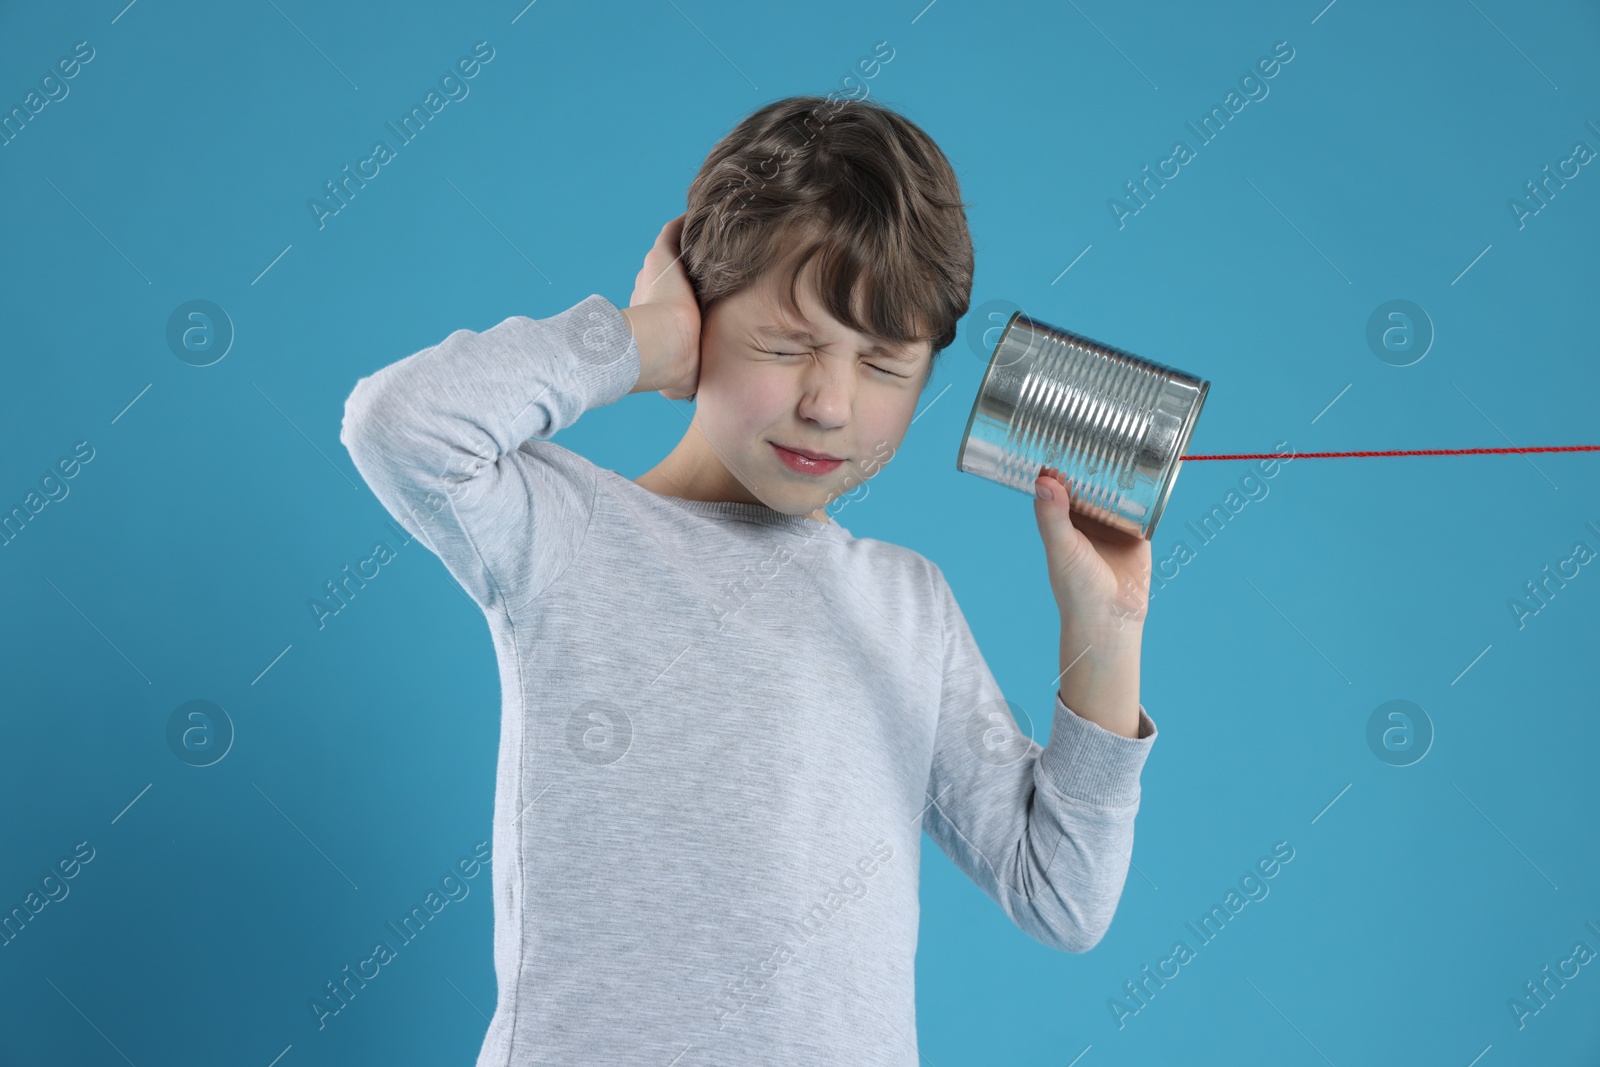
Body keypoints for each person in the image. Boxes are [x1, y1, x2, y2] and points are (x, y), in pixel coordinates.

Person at [340, 93, 1157, 1067]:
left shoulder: (907, 605)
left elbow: (1060, 893)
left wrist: (1104, 633)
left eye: (885, 365)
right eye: (786, 344)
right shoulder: (568, 531)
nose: (829, 402)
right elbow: (399, 424)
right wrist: (639, 340)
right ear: (700, 313)